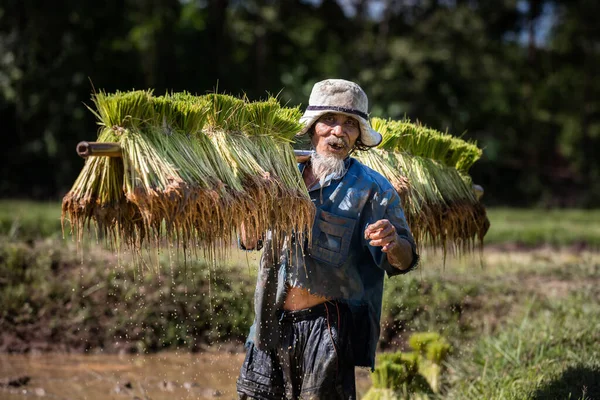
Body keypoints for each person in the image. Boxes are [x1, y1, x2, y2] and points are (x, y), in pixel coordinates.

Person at [236, 79, 419, 400]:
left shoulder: (372, 188)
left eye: (350, 124)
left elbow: (406, 261)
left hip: (326, 329)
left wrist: (392, 242)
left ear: (359, 137)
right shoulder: (279, 173)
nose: (339, 131)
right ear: (312, 126)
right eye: (330, 120)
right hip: (269, 320)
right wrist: (257, 199)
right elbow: (249, 240)